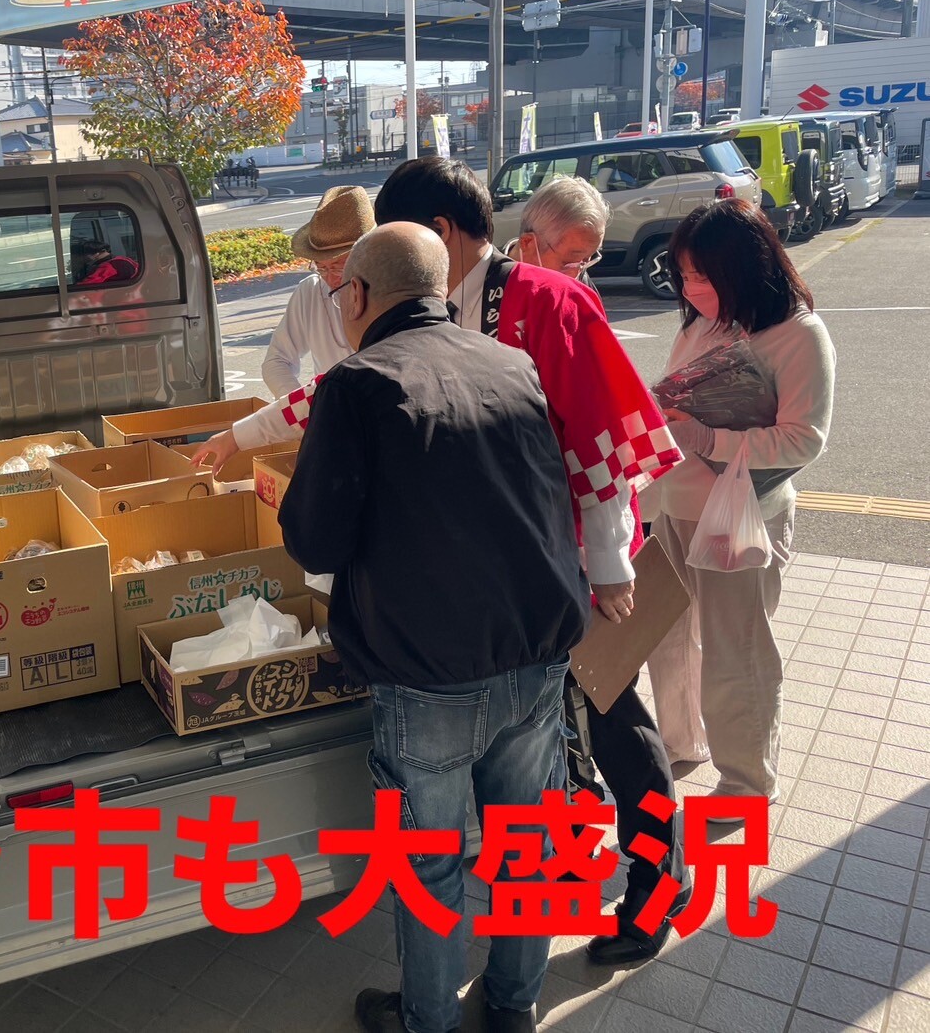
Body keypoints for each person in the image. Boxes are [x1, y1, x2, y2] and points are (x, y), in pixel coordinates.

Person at [196, 161, 690, 964]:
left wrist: (605, 564)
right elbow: (337, 390)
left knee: (609, 715)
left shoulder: (547, 300)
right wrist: (239, 436)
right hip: (501, 569)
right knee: (550, 741)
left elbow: (601, 435)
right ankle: (556, 879)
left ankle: (659, 882)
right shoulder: (441, 306)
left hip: (569, 561)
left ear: (442, 231)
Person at [279, 223, 592, 1033]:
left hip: (427, 673)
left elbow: (315, 540)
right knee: (525, 846)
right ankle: (513, 1005)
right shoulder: (509, 363)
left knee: (429, 863)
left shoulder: (356, 385)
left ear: (356, 295)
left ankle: (428, 1020)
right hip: (535, 650)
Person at [648, 198, 835, 809]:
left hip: (741, 514)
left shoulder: (798, 334)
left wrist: (709, 439)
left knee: (737, 650)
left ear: (747, 268)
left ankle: (747, 781)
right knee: (668, 638)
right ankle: (680, 741)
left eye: (703, 275)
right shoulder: (699, 325)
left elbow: (804, 438)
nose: (690, 288)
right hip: (674, 504)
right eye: (683, 274)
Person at [261, 185, 374, 396]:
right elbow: (276, 361)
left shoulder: (395, 289)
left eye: (339, 266)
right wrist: (308, 408)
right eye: (321, 267)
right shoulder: (311, 291)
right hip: (331, 409)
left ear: (367, 254)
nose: (330, 278)